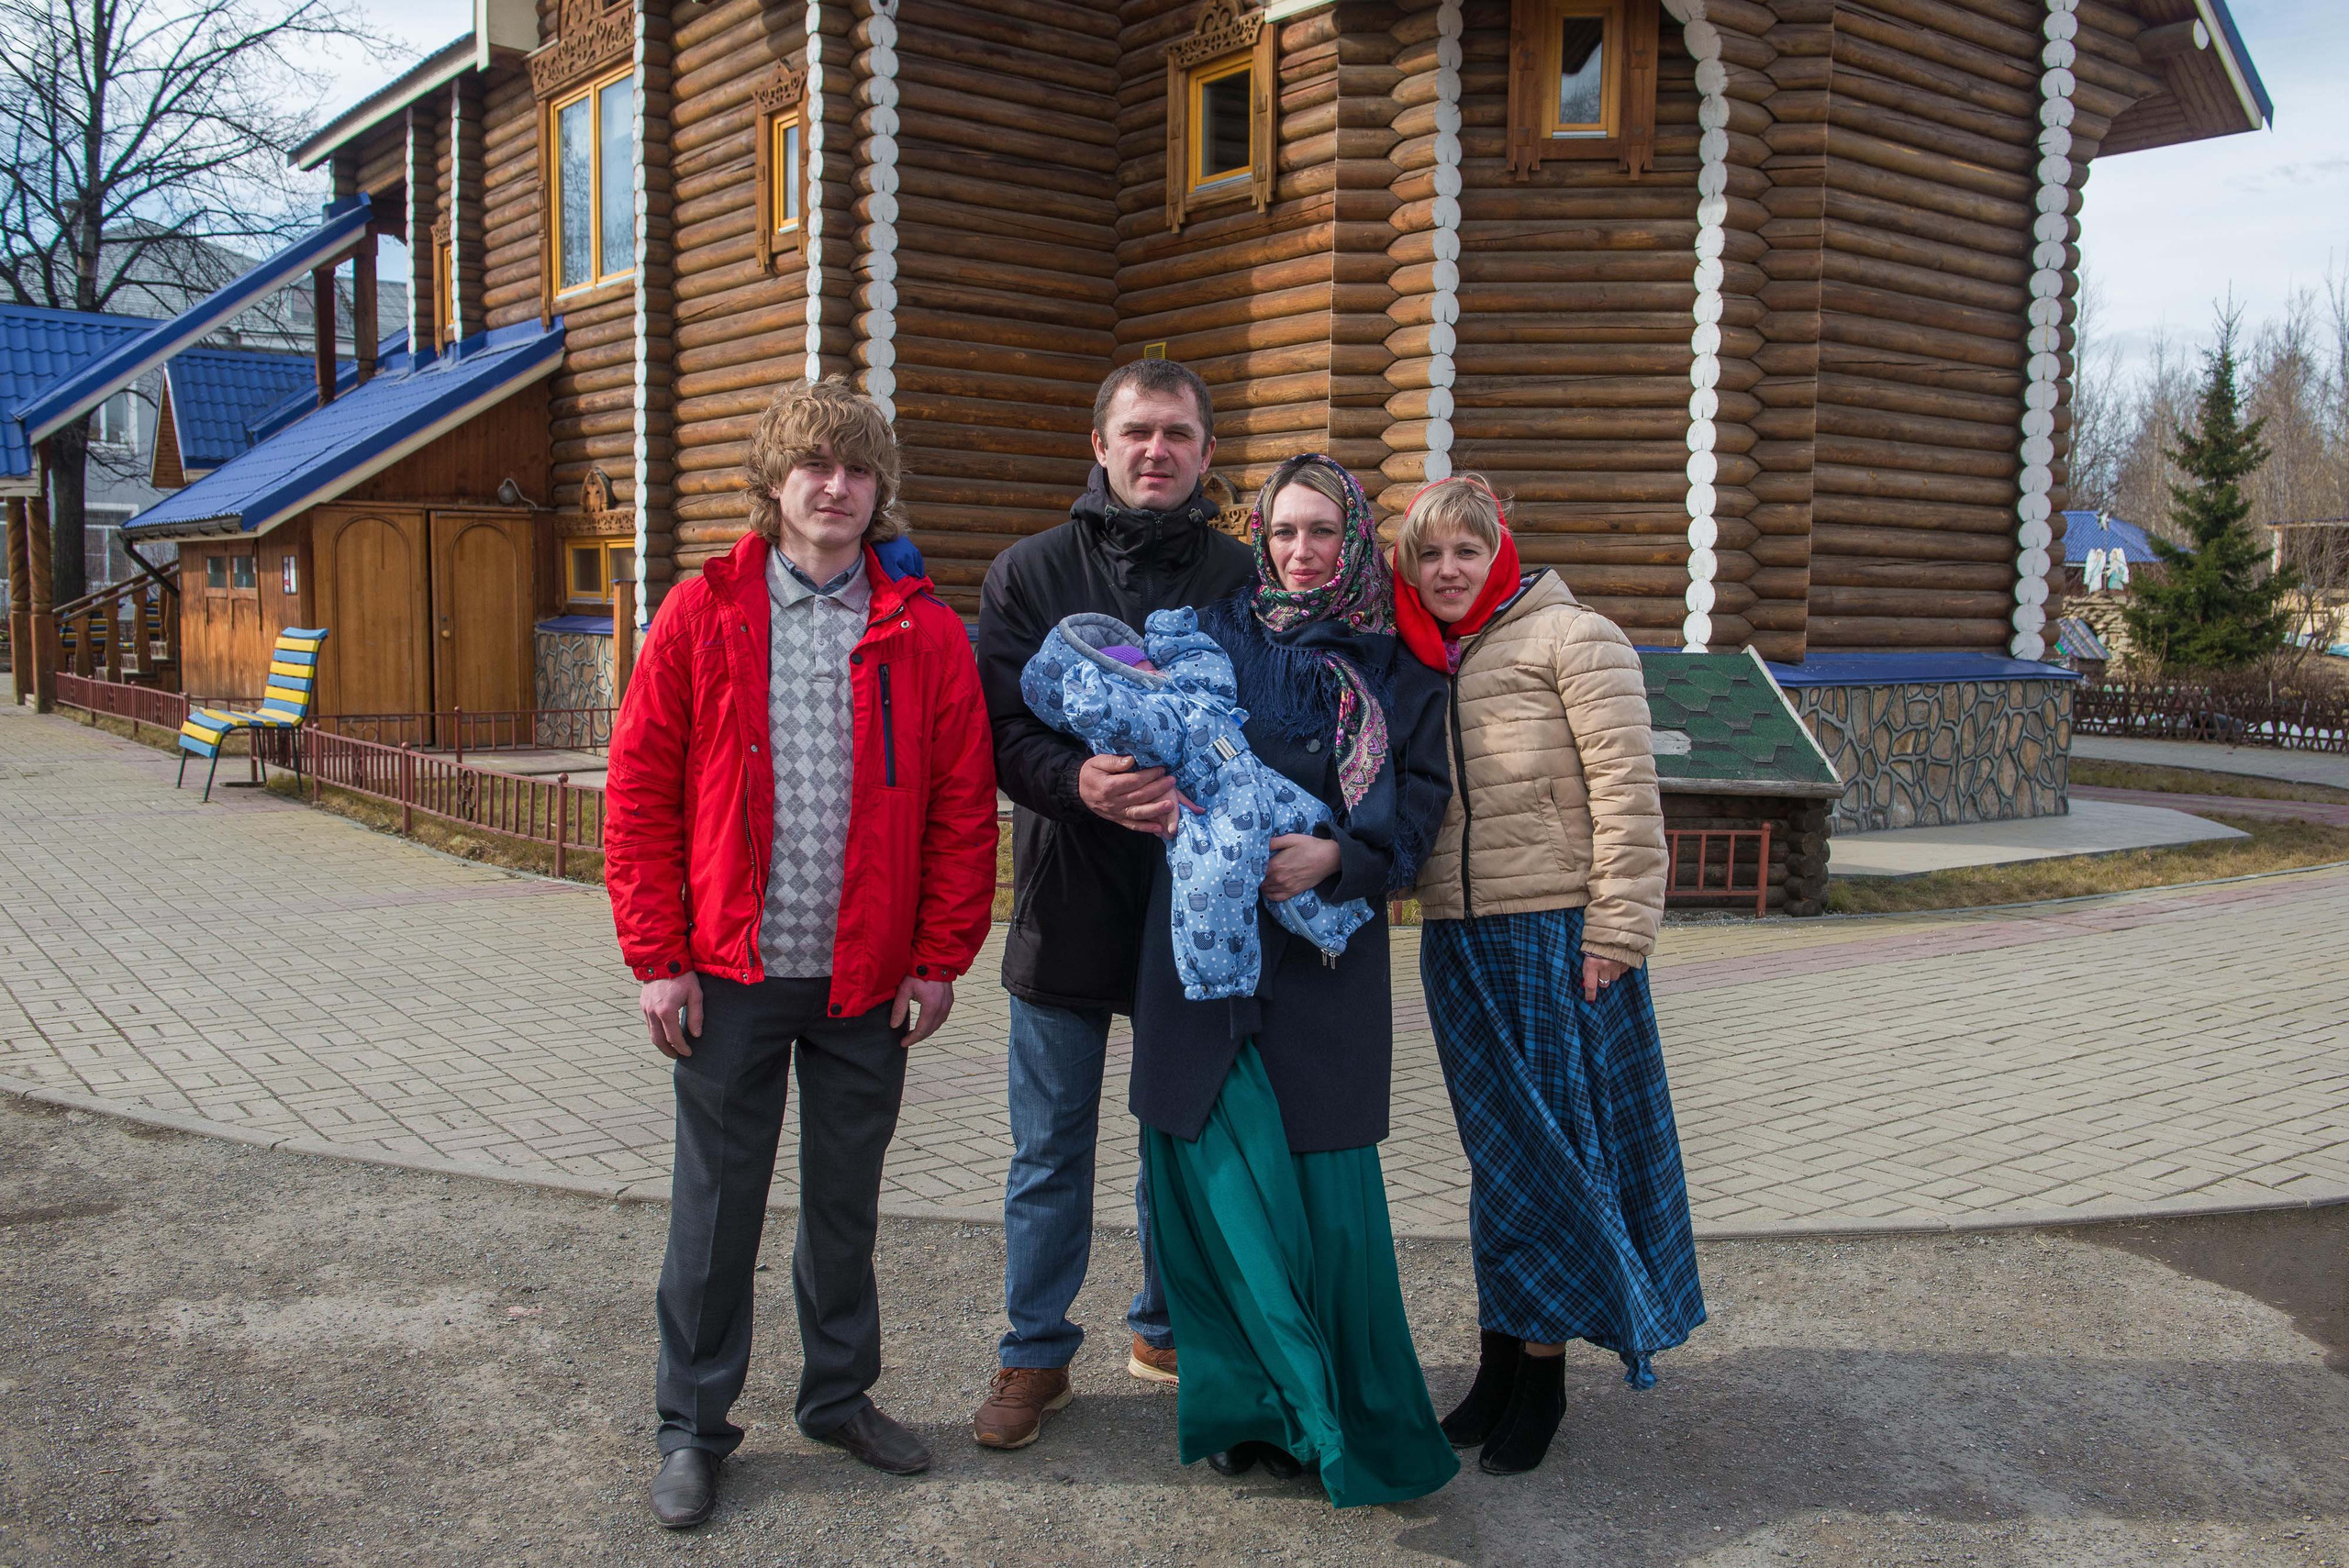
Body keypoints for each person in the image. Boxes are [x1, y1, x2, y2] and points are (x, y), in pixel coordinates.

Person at [604, 378, 998, 1529]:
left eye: (857, 468)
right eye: (814, 465)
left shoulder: (923, 629)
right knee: (716, 1210)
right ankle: (692, 1425)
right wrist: (657, 955)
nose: (835, 486)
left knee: (843, 1203)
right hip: (728, 973)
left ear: (880, 491)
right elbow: (638, 792)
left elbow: (962, 805)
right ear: (773, 482)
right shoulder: (702, 612)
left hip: (865, 978)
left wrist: (939, 955)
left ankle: (836, 1396)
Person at [1130, 453, 1458, 1507]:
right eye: (1283, 531)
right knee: (1221, 1197)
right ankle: (1248, 1411)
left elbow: (1418, 809)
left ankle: (1341, 1417)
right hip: (1205, 965)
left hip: (1323, 971)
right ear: (1259, 538)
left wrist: (1337, 858)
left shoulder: (1395, 666)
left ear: (1355, 539)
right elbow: (1149, 751)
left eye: (1321, 530)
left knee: (1324, 1207)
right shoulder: (1206, 640)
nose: (1302, 550)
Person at [1391, 475, 1704, 1477]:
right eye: (1429, 554)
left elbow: (1629, 795)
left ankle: (1544, 1374)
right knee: (1501, 1161)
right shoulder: (1422, 654)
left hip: (1557, 935)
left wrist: (1618, 928)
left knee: (1557, 1156)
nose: (1447, 570)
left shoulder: (1574, 637)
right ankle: (1497, 1361)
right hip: (1457, 937)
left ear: (1500, 553)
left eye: (1466, 551)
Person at [971, 359, 1254, 1449]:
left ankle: (1166, 1327)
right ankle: (1034, 1350)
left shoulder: (1239, 576)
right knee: (1049, 1147)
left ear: (1206, 453)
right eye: (1136, 430)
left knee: (1175, 1134)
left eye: (1176, 433)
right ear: (1099, 444)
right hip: (1069, 899)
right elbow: (1000, 731)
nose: (1155, 450)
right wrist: (1075, 779)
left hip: (1198, 904)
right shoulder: (1032, 570)